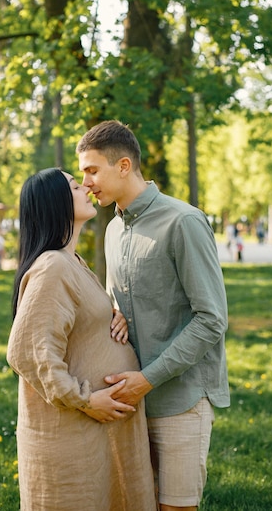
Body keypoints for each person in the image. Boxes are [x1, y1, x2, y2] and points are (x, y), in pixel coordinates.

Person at [77, 121, 230, 511]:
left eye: (92, 170)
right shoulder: (112, 229)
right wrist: (116, 311)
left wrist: (147, 379)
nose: (86, 182)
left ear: (124, 165)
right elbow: (119, 298)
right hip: (130, 404)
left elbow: (211, 319)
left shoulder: (184, 221)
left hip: (180, 398)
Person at [6, 168, 156, 511]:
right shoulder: (52, 267)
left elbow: (76, 322)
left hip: (93, 431)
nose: (86, 186)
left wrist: (113, 316)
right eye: (75, 185)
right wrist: (87, 400)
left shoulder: (70, 261)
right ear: (56, 202)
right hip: (73, 434)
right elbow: (28, 352)